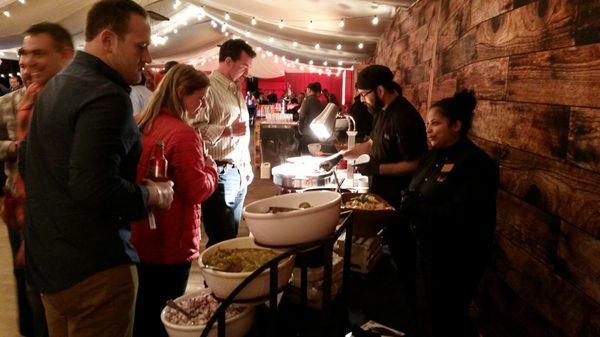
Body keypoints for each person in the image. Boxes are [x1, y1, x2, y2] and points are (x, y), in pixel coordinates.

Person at [20, 1, 174, 337]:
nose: (147, 56)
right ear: (108, 39)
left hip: (51, 267)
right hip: (96, 272)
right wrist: (152, 194)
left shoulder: (56, 85)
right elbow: (93, 187)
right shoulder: (106, 95)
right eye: (141, 45)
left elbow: (27, 163)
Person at [400, 90, 499, 337]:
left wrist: (417, 208)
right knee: (432, 315)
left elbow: (464, 217)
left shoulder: (475, 163)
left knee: (449, 319)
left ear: (456, 125)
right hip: (429, 252)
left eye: (435, 123)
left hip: (457, 260)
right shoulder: (433, 155)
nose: (429, 129)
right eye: (427, 124)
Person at [132, 64, 218, 337]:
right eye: (200, 98)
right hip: (172, 242)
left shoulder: (140, 122)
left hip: (140, 233)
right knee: (165, 314)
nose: (202, 105)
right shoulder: (183, 134)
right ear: (182, 92)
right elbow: (196, 190)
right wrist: (211, 169)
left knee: (143, 310)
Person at [342, 64, 427, 336]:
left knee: (401, 262)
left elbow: (416, 163)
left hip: (400, 202)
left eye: (365, 94)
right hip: (383, 198)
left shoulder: (405, 116)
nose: (364, 100)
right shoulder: (381, 112)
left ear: (380, 90)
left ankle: (407, 320)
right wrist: (353, 152)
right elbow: (374, 141)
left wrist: (377, 169)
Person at [193, 39, 256, 247]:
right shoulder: (208, 88)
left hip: (237, 172)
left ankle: (226, 279)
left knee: (231, 234)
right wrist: (227, 131)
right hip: (219, 172)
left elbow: (243, 134)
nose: (246, 71)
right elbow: (195, 129)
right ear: (228, 61)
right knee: (221, 238)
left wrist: (245, 165)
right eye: (244, 65)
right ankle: (214, 279)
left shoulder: (234, 89)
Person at [0, 58, 32, 337]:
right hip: (18, 200)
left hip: (55, 204)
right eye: (23, 64)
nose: (28, 70)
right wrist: (13, 147)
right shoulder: (7, 103)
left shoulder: (60, 101)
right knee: (22, 272)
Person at [298, 82, 325, 153]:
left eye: (306, 90)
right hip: (317, 135)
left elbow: (301, 116)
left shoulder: (307, 101)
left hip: (307, 134)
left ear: (309, 90)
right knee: (315, 155)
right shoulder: (320, 103)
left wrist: (300, 130)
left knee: (305, 156)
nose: (306, 92)